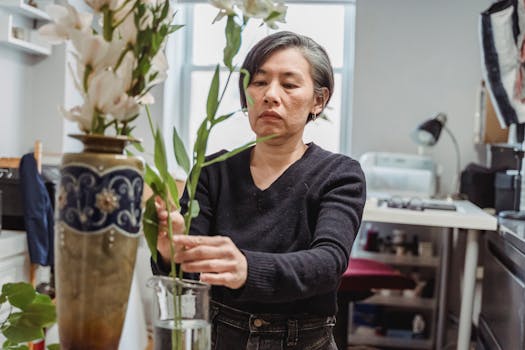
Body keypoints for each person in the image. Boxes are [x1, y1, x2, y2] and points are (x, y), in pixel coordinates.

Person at [152, 31, 366, 350]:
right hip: (220, 335)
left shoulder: (339, 174)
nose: (270, 95)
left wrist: (247, 269)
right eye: (259, 82)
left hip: (304, 340)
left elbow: (328, 262)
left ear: (318, 100)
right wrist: (171, 256)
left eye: (289, 84)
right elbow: (189, 281)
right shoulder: (210, 171)